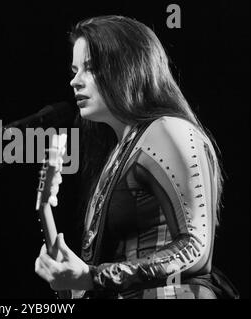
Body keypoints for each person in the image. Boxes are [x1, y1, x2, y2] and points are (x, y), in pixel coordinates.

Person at [34, 15, 239, 299]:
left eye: (90, 68)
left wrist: (92, 276)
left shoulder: (168, 130)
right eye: (74, 69)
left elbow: (195, 249)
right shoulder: (118, 152)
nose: (74, 81)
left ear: (129, 69)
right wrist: (71, 279)